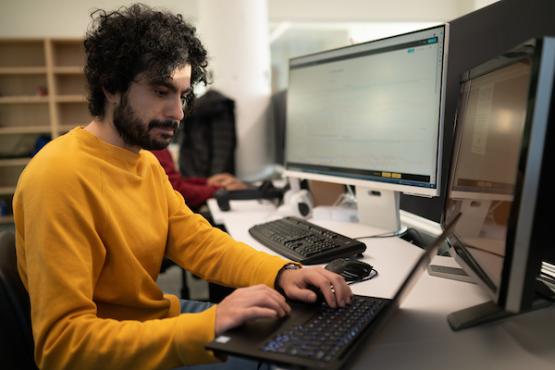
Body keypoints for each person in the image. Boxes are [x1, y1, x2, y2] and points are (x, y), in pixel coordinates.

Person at [12, 4, 351, 370]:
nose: (178, 113)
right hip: (115, 348)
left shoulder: (144, 164)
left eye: (183, 95)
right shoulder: (59, 176)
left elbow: (197, 242)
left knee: (293, 335)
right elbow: (62, 347)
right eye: (161, 91)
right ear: (111, 85)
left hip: (152, 322)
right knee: (286, 360)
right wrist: (206, 328)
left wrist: (283, 272)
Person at [150, 148, 246, 210]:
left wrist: (206, 182)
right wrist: (219, 189)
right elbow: (175, 190)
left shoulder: (156, 145)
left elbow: (173, 182)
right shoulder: (152, 149)